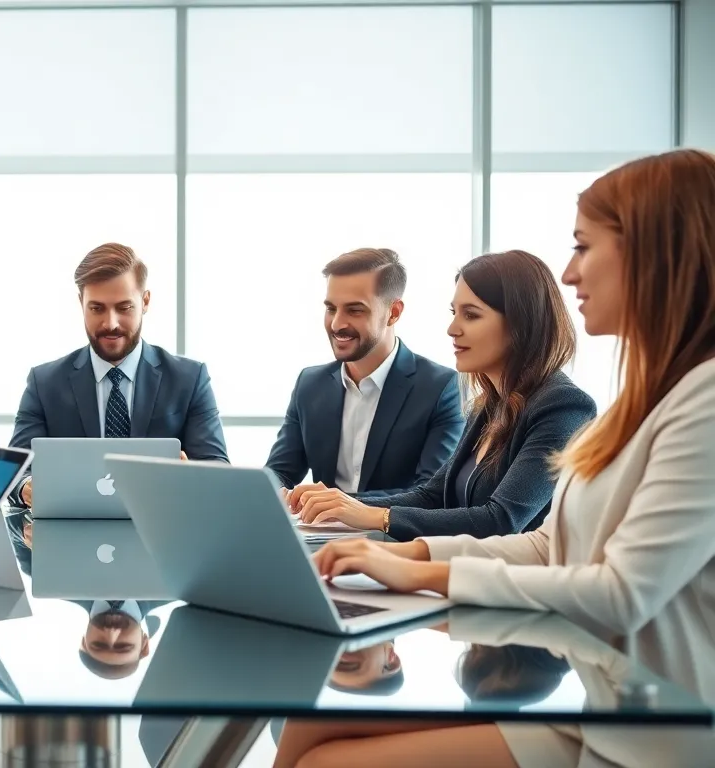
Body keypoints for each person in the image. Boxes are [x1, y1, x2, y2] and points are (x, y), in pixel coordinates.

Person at [284, 148, 715, 767]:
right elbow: (547, 545)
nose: (570, 274)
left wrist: (423, 570)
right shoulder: (639, 402)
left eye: (584, 246)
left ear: (656, 253)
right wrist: (400, 551)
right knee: (308, 723)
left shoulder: (697, 401)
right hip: (603, 706)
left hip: (652, 738)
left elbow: (620, 591)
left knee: (326, 761)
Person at [289, 250, 596, 540]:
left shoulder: (563, 407)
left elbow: (501, 520)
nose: (452, 328)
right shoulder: (490, 406)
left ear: (520, 324)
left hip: (518, 588)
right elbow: (433, 496)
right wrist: (338, 503)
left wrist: (378, 517)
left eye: (471, 315)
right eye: (454, 313)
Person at [9, 243, 230, 506]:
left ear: (145, 301)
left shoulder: (190, 379)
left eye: (124, 307)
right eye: (97, 308)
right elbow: (16, 471)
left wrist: (195, 477)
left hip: (164, 535)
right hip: (72, 535)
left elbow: (218, 470)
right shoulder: (44, 383)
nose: (110, 323)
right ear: (81, 303)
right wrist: (26, 487)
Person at [266, 248, 463, 497]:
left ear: (393, 313)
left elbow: (431, 494)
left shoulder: (440, 388)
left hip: (394, 535)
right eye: (331, 309)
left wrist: (341, 505)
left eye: (355, 310)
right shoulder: (310, 384)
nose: (337, 324)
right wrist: (267, 489)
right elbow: (281, 472)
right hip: (318, 534)